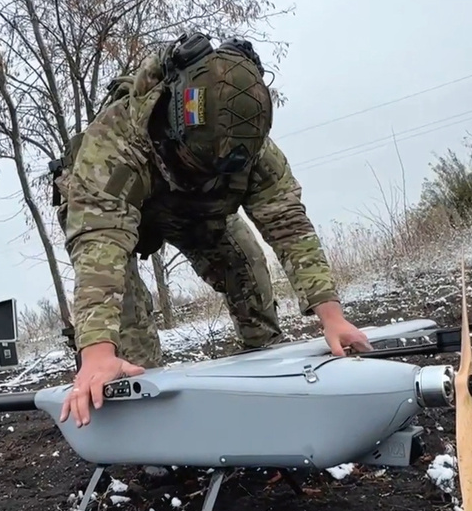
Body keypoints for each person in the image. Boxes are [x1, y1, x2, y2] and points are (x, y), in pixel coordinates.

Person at [49, 31, 373, 429]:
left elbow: (288, 225)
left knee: (248, 266)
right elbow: (100, 247)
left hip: (197, 210)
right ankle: (152, 437)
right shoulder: (115, 146)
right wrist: (97, 350)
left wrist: (331, 315)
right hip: (118, 214)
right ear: (174, 125)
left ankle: (270, 379)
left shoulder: (252, 148)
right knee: (130, 336)